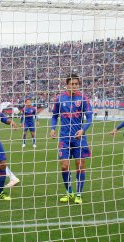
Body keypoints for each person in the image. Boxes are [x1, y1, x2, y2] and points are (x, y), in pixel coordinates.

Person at [50, 74, 93, 204]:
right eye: (72, 84)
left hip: (78, 137)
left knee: (80, 166)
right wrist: (52, 128)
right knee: (64, 166)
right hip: (64, 137)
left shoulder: (83, 98)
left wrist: (83, 130)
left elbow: (90, 118)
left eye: (76, 84)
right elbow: (54, 116)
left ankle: (78, 194)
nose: (74, 86)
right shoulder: (59, 98)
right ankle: (69, 192)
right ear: (67, 84)